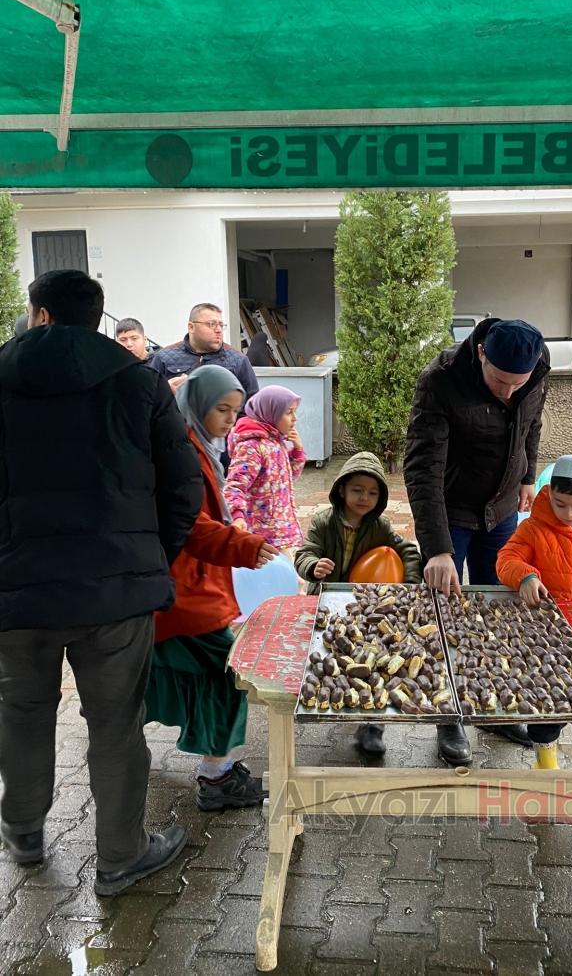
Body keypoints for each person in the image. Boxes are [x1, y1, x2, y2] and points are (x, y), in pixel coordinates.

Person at [0, 269, 203, 896]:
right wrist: (150, 560)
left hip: (16, 591)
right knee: (116, 725)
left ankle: (23, 831)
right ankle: (120, 857)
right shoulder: (139, 381)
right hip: (117, 593)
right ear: (97, 318)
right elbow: (184, 486)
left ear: (40, 314)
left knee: (22, 713)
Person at [404, 317, 550, 765]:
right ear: (482, 352)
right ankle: (448, 715)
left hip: (501, 509)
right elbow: (422, 467)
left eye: (518, 384)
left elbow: (531, 424)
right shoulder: (441, 380)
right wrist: (437, 549)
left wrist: (527, 475)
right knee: (444, 611)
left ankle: (490, 705)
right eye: (500, 381)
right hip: (451, 510)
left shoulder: (538, 366)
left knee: (498, 611)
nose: (508, 392)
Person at [145, 365, 280, 810]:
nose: (229, 419)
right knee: (228, 672)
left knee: (165, 668)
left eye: (235, 410)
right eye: (221, 409)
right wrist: (242, 545)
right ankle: (217, 776)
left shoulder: (197, 444)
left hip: (186, 586)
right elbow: (188, 524)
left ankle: (121, 738)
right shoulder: (181, 451)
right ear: (196, 404)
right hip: (185, 591)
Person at [496, 454, 572, 770]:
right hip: (543, 641)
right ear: (549, 493)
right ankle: (546, 770)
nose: (568, 514)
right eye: (560, 504)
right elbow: (505, 560)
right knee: (545, 712)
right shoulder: (532, 529)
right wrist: (525, 575)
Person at [294, 452, 422, 754]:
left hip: (366, 607)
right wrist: (313, 566)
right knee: (331, 657)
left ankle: (373, 724)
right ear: (341, 490)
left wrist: (408, 585)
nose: (365, 498)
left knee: (378, 661)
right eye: (357, 490)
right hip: (328, 603)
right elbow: (305, 553)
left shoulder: (380, 527)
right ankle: (327, 697)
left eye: (373, 492)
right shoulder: (323, 522)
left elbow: (408, 552)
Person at [224, 386, 306, 551]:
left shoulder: (275, 441)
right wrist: (237, 516)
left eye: (294, 412)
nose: (294, 418)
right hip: (263, 538)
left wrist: (297, 451)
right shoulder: (252, 446)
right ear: (271, 413)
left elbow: (287, 479)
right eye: (288, 412)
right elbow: (235, 485)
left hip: (280, 533)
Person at [150, 302, 258, 399]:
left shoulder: (238, 360)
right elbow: (147, 399)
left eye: (221, 325)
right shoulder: (164, 357)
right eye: (211, 324)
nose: (218, 330)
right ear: (191, 327)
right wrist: (166, 391)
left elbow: (252, 405)